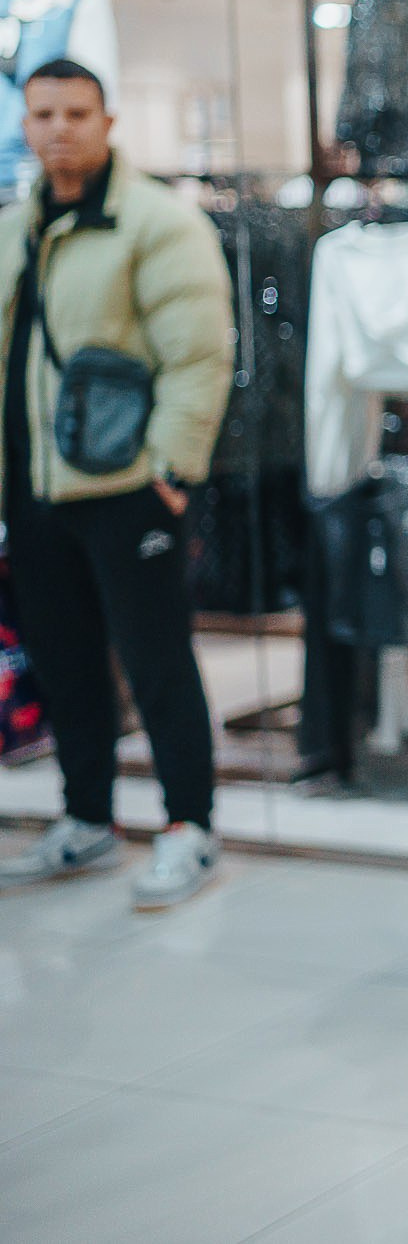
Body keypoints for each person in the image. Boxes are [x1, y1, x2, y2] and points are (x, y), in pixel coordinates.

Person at [0, 57, 234, 909]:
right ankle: (87, 819)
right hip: (36, 490)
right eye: (42, 114)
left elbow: (199, 353)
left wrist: (172, 470)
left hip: (130, 488)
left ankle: (190, 827)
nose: (58, 128)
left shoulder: (155, 223)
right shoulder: (15, 226)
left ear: (107, 122)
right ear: (24, 125)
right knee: (64, 664)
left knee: (156, 659)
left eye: (75, 112)